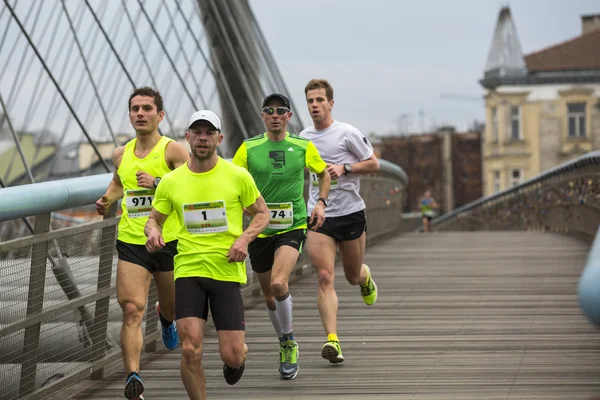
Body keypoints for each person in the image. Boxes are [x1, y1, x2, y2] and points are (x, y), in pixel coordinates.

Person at [144, 110, 270, 399]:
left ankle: (240, 354)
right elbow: (154, 220)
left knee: (232, 355)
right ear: (187, 137)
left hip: (226, 269)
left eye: (209, 132)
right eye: (197, 132)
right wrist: (151, 232)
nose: (202, 138)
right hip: (188, 270)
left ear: (219, 138)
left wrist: (244, 239)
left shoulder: (238, 176)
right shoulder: (171, 182)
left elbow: (263, 214)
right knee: (189, 349)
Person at [95, 86, 190, 400]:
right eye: (135, 108)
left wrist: (159, 182)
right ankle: (132, 377)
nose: (140, 114)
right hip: (132, 240)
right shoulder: (120, 153)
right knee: (132, 309)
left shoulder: (173, 151)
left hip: (169, 240)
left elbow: (194, 185)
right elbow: (118, 182)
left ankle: (166, 317)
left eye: (147, 108)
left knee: (173, 306)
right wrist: (107, 198)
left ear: (160, 115)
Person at [232, 93, 330, 380]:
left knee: (278, 282)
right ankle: (283, 338)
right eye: (269, 111)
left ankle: (288, 342)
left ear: (289, 116)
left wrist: (321, 203)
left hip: (292, 225)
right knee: (268, 294)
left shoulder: (302, 146)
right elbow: (231, 180)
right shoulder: (248, 148)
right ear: (263, 116)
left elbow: (324, 174)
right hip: (260, 230)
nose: (275, 115)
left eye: (281, 111)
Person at [299, 79, 380, 364]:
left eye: (320, 100)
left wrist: (345, 168)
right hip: (319, 214)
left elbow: (374, 164)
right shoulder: (303, 137)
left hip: (351, 212)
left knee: (351, 275)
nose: (314, 106)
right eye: (310, 101)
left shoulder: (347, 133)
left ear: (330, 103)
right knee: (324, 276)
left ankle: (364, 276)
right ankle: (332, 340)